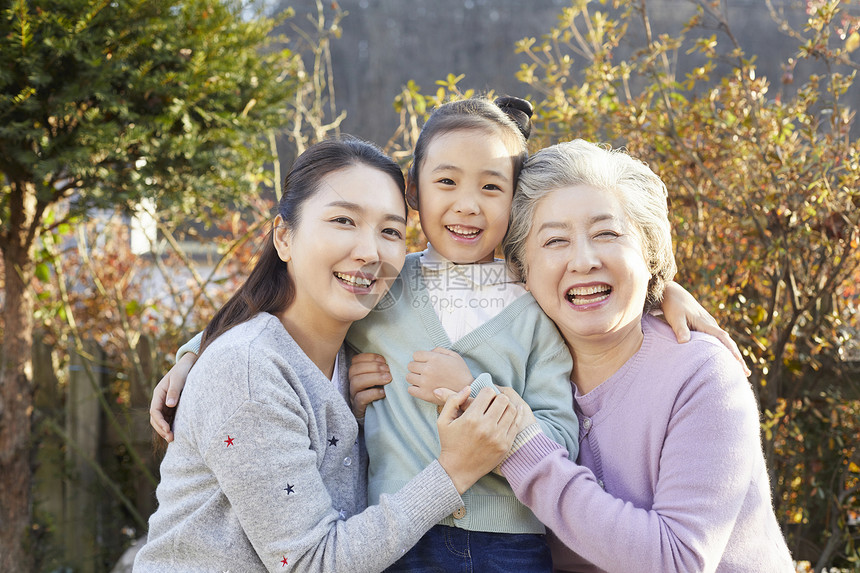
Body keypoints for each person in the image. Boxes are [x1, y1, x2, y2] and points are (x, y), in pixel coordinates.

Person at [150, 99, 747, 572]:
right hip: (396, 541)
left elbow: (566, 411)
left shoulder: (534, 299)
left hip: (511, 542)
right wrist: (195, 355)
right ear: (416, 193)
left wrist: (662, 289)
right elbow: (276, 321)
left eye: (491, 187)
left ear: (516, 203)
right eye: (446, 183)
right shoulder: (387, 284)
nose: (467, 204)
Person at [133, 138, 526, 573]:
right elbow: (311, 563)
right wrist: (454, 472)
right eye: (343, 220)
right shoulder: (249, 370)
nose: (369, 251)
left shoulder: (352, 343)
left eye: (391, 231)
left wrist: (192, 352)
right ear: (284, 236)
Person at [488, 139, 794, 571]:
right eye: (555, 241)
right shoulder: (511, 369)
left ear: (650, 254)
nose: (584, 260)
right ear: (520, 271)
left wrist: (524, 452)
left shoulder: (701, 373)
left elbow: (677, 561)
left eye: (607, 233)